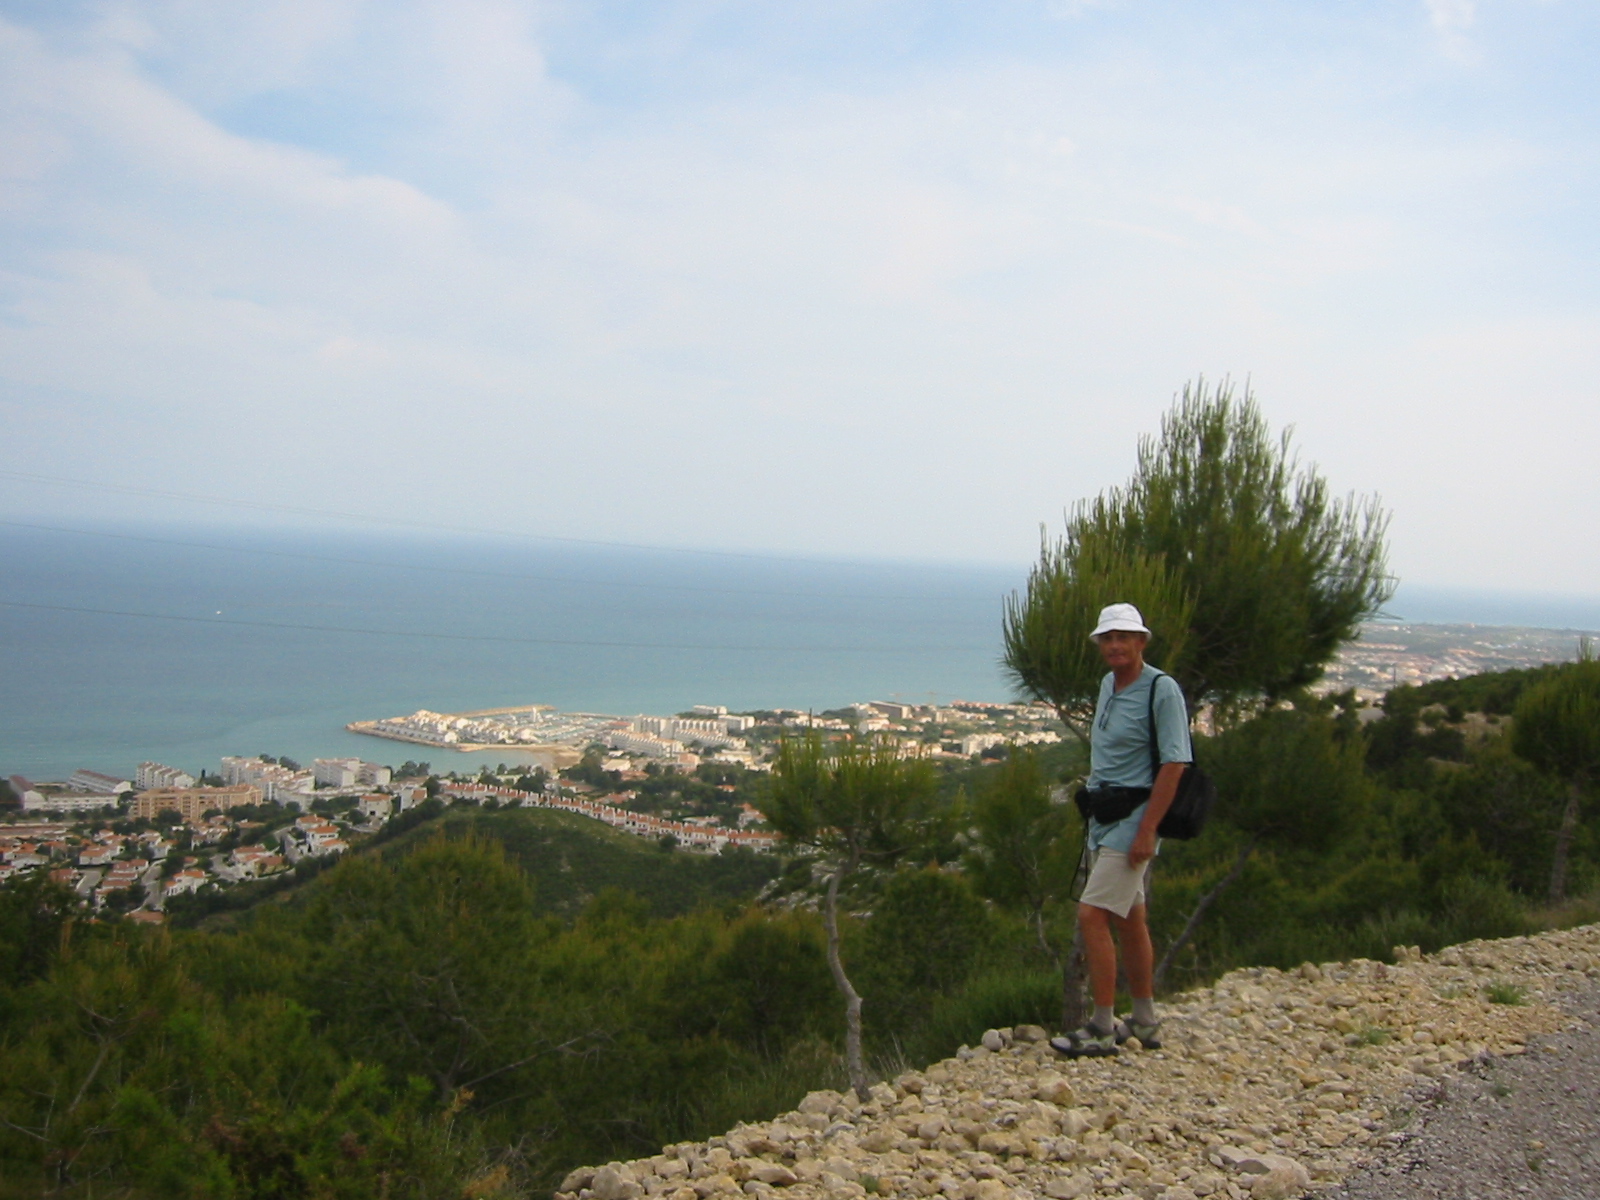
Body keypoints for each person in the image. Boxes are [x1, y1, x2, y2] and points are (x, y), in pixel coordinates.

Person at [1052, 602, 1192, 1058]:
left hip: (1133, 820)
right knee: (1131, 919)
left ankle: (1101, 1026)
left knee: (1092, 915)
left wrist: (1148, 830)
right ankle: (1145, 1021)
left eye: (1123, 637)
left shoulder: (1162, 690)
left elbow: (1175, 762)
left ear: (1141, 642)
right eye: (1107, 638)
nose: (1114, 645)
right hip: (1103, 817)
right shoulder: (1109, 684)